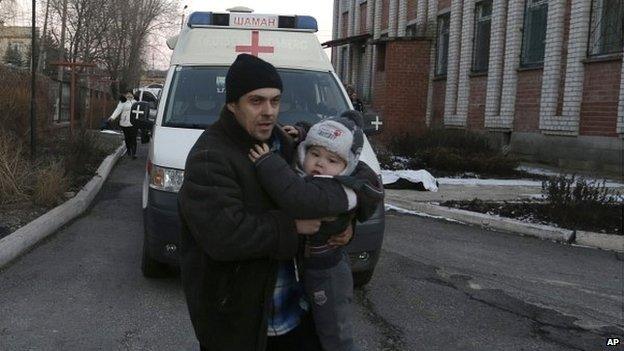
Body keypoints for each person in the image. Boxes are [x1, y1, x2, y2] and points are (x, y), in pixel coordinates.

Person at [177, 53, 353, 351]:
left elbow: (320, 194)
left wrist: (343, 225)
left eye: (275, 101)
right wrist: (293, 227)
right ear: (233, 105)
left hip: (294, 311)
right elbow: (224, 236)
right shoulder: (210, 156)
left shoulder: (284, 145)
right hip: (239, 324)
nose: (269, 111)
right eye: (256, 101)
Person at [248, 111, 384, 351]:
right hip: (308, 266)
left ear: (347, 166)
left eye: (332, 160)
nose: (321, 163)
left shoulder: (335, 188)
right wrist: (301, 133)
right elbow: (319, 139)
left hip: (327, 271)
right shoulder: (315, 172)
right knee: (313, 326)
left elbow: (298, 197)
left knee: (334, 332)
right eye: (315, 154)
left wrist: (267, 163)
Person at [108, 90, 138, 159]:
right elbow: (118, 110)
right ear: (125, 95)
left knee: (133, 138)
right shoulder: (122, 102)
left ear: (132, 94)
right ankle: (129, 151)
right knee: (127, 138)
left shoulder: (136, 102)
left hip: (134, 123)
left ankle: (134, 154)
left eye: (130, 94)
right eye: (127, 94)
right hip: (125, 123)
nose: (129, 95)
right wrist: (112, 117)